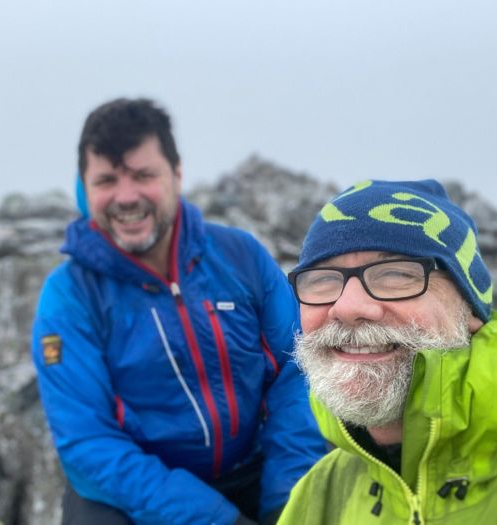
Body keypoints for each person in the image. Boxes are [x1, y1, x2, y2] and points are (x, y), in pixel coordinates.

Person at [31, 98, 326, 525]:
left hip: (257, 468)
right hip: (138, 494)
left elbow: (299, 371)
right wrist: (216, 520)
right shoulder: (70, 296)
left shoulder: (240, 257)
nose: (126, 197)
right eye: (107, 180)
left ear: (177, 174)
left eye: (143, 175)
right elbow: (88, 442)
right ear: (84, 187)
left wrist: (288, 500)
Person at [278, 179, 497, 524]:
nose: (348, 307)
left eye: (395, 274)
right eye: (322, 279)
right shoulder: (322, 490)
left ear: (470, 308)